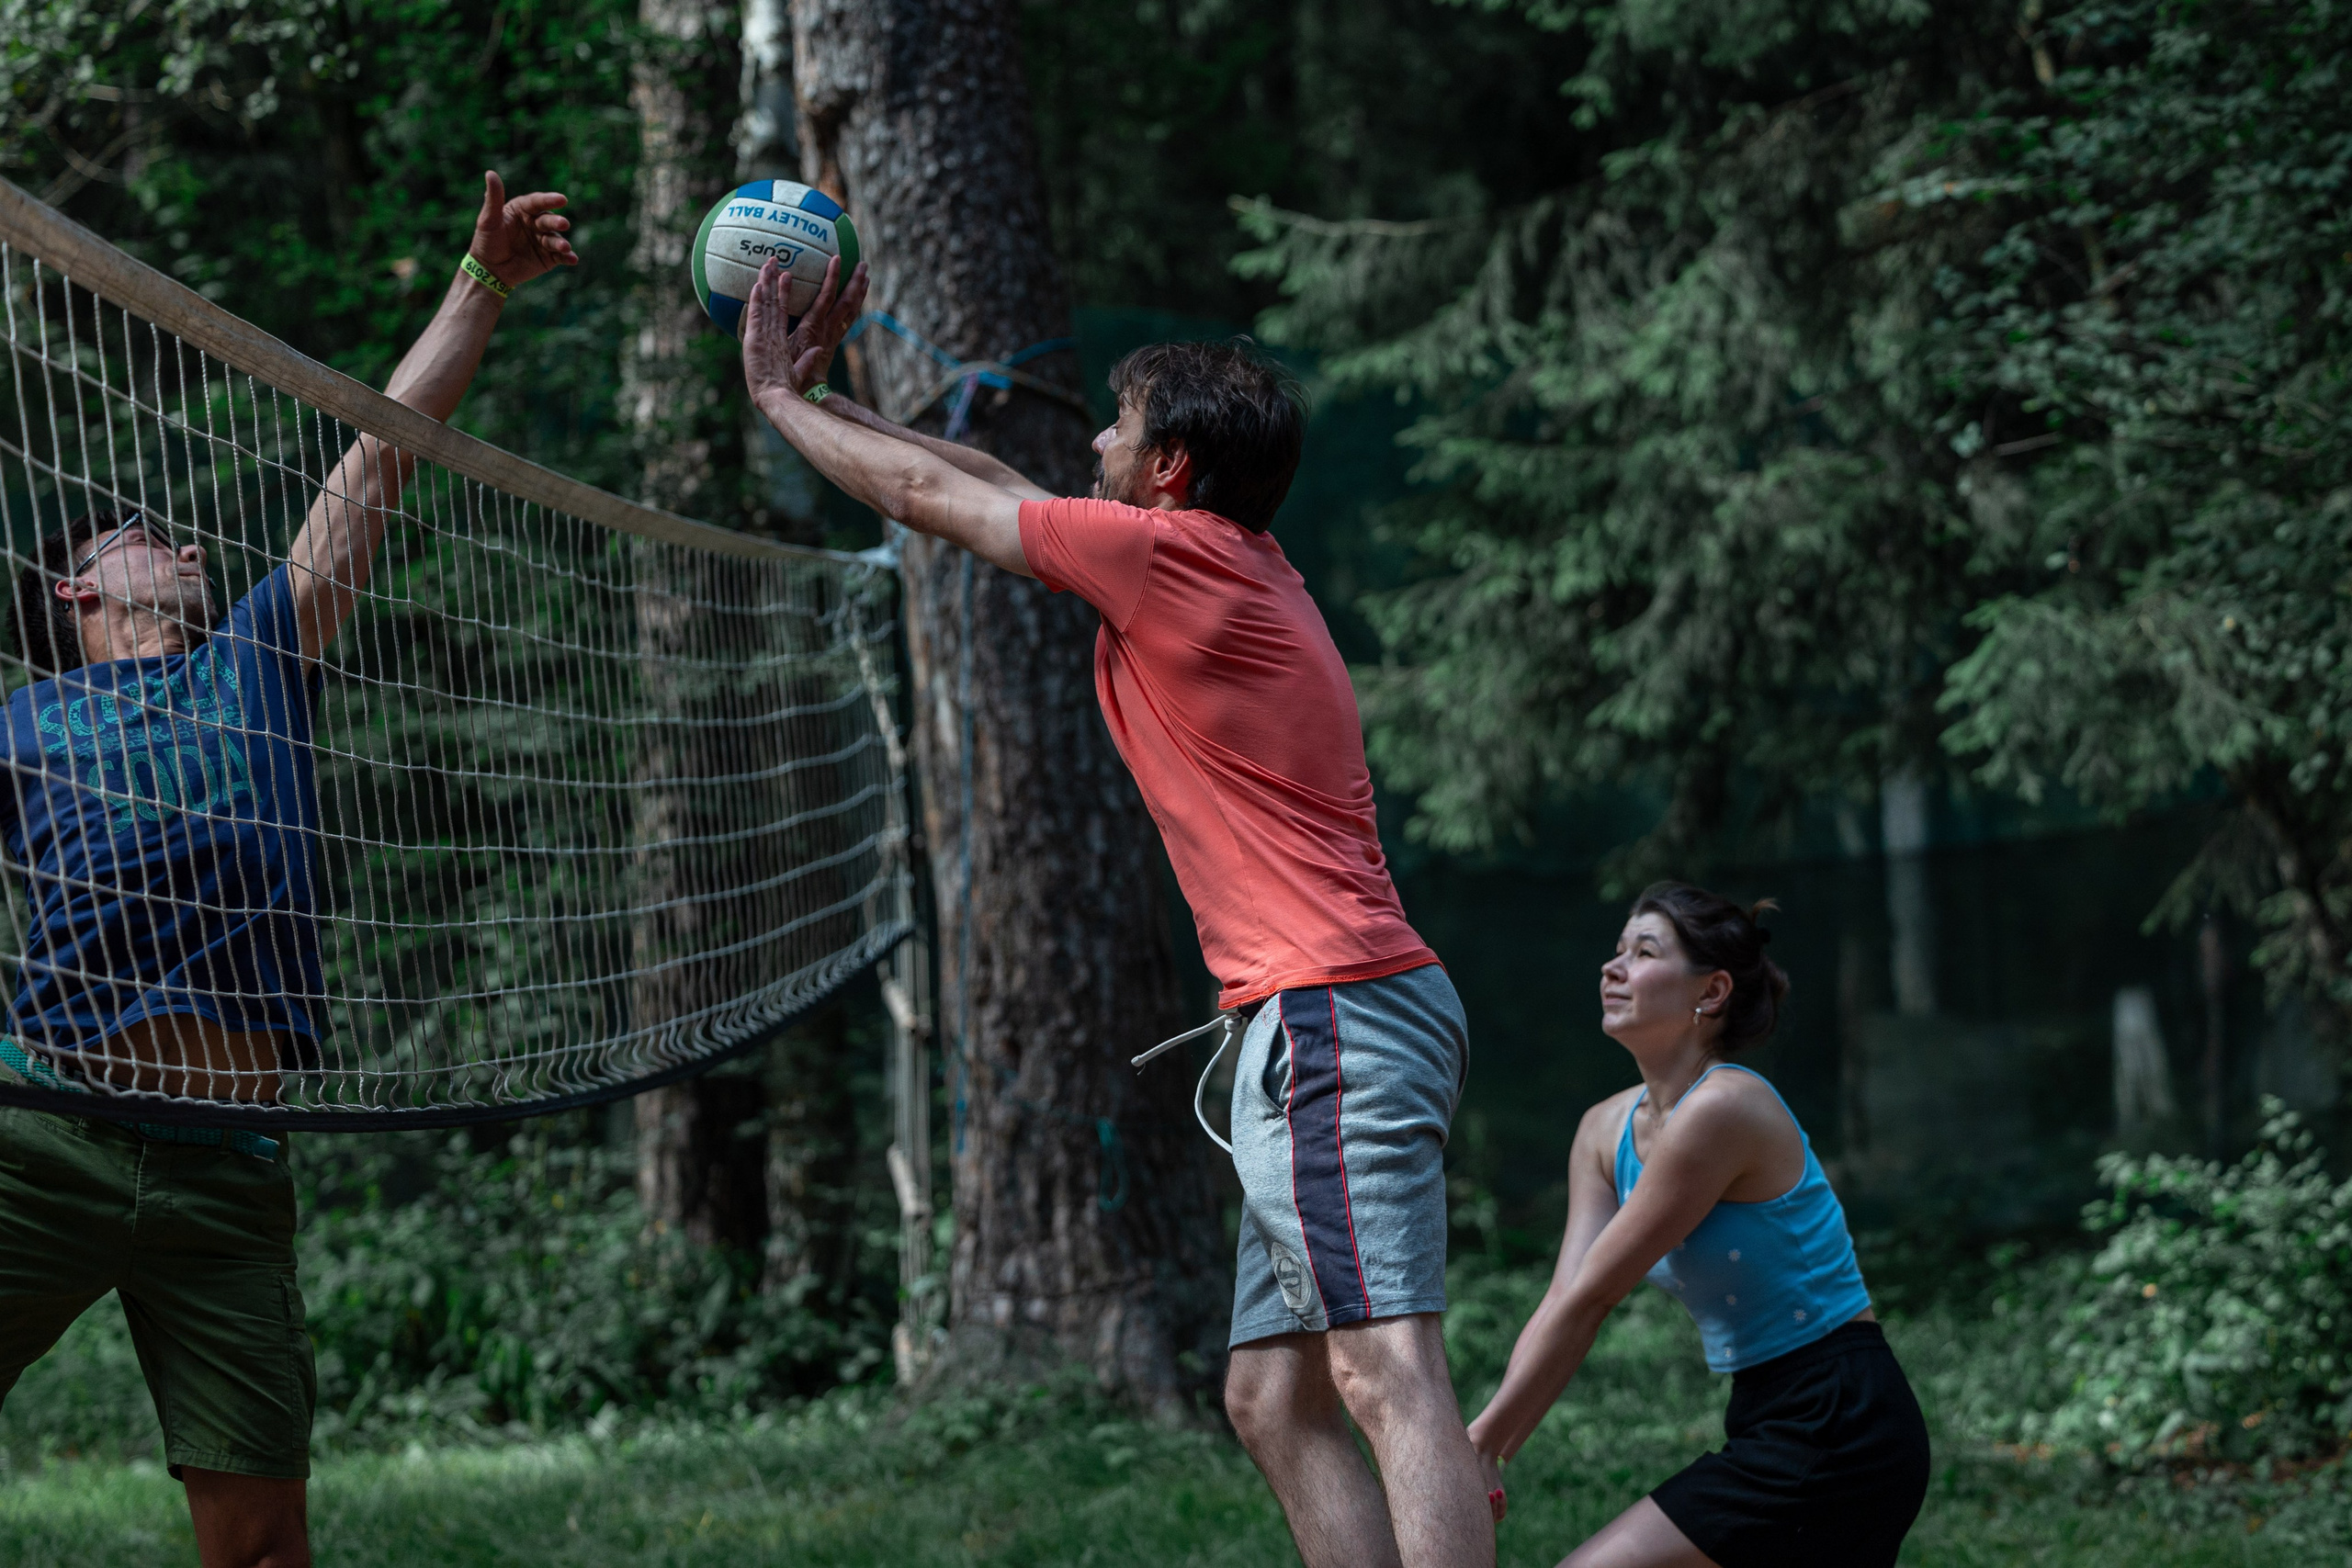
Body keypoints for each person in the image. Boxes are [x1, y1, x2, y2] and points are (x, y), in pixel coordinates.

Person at [741, 254, 1494, 1568]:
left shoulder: (1173, 562)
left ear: (1170, 471)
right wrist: (834, 399)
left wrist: (771, 398)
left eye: (1121, 424)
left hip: (1331, 1017)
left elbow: (935, 496)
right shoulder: (1213, 556)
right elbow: (992, 489)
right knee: (1270, 1396)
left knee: (1384, 1368)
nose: (1095, 437)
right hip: (1336, 1014)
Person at [0, 173, 576, 1568]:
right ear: (76, 589)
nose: (188, 543)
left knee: (262, 1548)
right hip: (49, 1136)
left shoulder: (257, 655)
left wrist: (480, 282)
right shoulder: (21, 720)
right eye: (148, 534)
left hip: (234, 1171)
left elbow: (381, 452)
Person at [1466, 884, 1929, 1568]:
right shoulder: (1601, 1131)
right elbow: (1564, 1299)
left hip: (1841, 1415)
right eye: (1616, 949)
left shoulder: (1724, 1108)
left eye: (1644, 951)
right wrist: (1494, 1450)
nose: (1612, 967)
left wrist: (1477, 1445)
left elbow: (1596, 1295)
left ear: (1711, 992)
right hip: (1765, 1411)